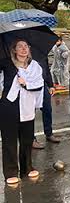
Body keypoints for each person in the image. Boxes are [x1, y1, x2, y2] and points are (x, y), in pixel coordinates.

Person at [0, 40, 44, 185]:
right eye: (20, 46)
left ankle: (27, 168)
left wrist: (26, 83)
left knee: (26, 139)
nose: (24, 49)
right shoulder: (6, 63)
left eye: (26, 46)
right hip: (9, 106)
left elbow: (39, 83)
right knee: (9, 140)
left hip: (27, 106)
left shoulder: (34, 66)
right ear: (14, 50)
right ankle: (11, 172)